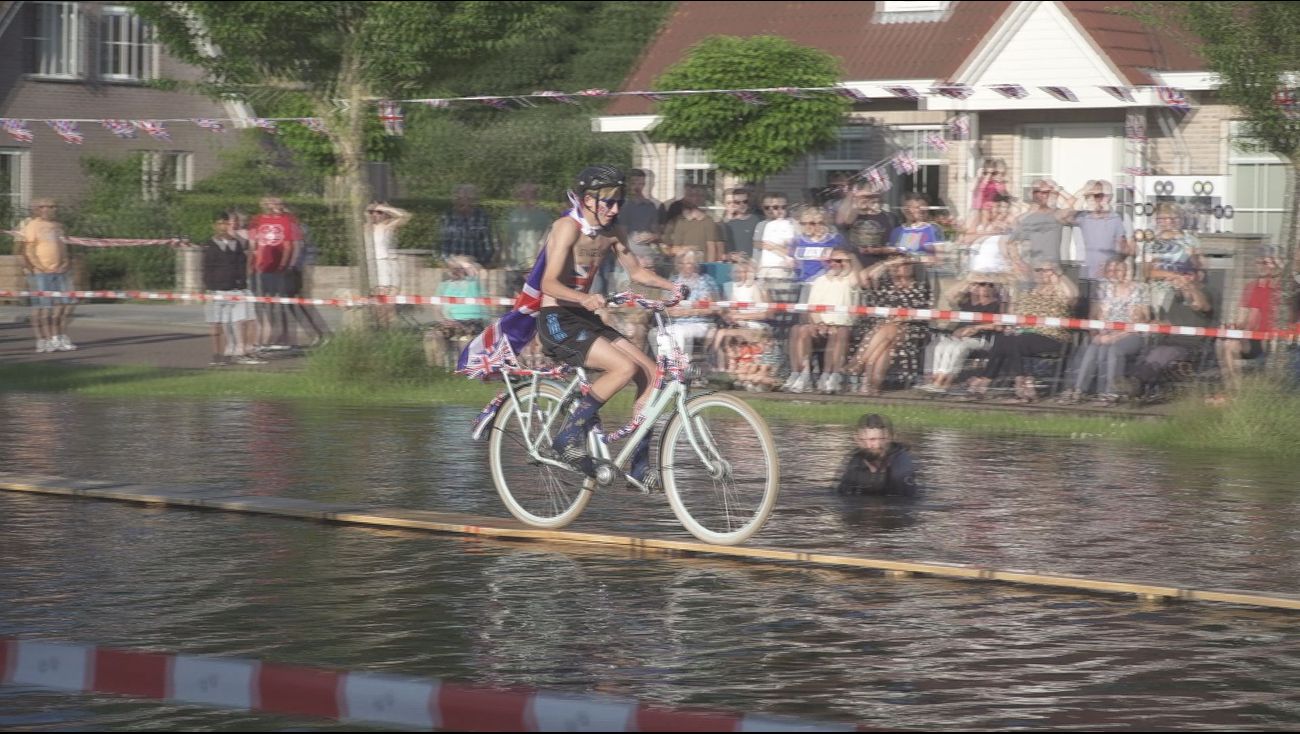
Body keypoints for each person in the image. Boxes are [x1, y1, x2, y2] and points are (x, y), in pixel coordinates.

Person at [530, 165, 682, 490]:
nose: (614, 209)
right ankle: (567, 437)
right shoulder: (567, 227)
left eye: (619, 203)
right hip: (557, 318)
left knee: (652, 375)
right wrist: (583, 298)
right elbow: (548, 283)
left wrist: (672, 286)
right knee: (624, 367)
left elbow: (636, 272)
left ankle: (638, 465)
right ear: (588, 199)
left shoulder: (613, 232)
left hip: (585, 318)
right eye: (609, 202)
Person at [201, 213, 264, 366]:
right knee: (217, 324)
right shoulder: (210, 245)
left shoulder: (236, 244)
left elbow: (242, 264)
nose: (223, 227)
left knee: (242, 321)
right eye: (220, 224)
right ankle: (218, 355)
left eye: (225, 223)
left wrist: (242, 282)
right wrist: (208, 288)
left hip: (237, 289)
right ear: (215, 226)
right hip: (217, 291)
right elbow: (207, 268)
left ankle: (242, 352)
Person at [16, 198, 76, 352]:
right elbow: (28, 250)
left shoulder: (59, 226)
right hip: (41, 272)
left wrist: (65, 262)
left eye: (55, 207)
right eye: (49, 207)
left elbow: (63, 247)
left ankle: (59, 336)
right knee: (44, 307)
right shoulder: (31, 226)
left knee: (66, 305)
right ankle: (44, 339)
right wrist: (39, 267)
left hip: (60, 271)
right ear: (39, 209)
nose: (53, 209)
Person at [248, 196, 302, 353]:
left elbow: (289, 246)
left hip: (278, 268)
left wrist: (284, 266)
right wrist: (252, 264)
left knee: (280, 303)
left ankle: (284, 338)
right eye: (269, 203)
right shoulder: (257, 220)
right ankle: (263, 338)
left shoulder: (286, 221)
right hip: (260, 268)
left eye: (277, 203)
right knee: (261, 304)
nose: (272, 206)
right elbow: (252, 244)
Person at [836, 413, 918, 497]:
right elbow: (842, 494)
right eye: (872, 439)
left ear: (889, 438)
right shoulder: (855, 462)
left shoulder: (900, 466)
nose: (878, 444)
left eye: (882, 439)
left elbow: (905, 501)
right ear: (858, 440)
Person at [366, 201, 413, 328]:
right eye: (372, 212)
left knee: (388, 300)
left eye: (379, 212)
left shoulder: (387, 226)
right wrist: (368, 211)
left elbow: (405, 216)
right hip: (372, 265)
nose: (375, 215)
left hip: (386, 263)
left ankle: (390, 329)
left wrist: (386, 208)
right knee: (376, 301)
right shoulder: (366, 228)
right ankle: (380, 327)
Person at [441, 184, 496, 267]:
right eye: (458, 199)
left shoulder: (482, 217)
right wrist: (449, 261)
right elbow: (442, 245)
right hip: (452, 265)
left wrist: (475, 262)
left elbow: (488, 247)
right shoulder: (447, 216)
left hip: (476, 265)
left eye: (467, 199)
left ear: (473, 201)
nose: (462, 202)